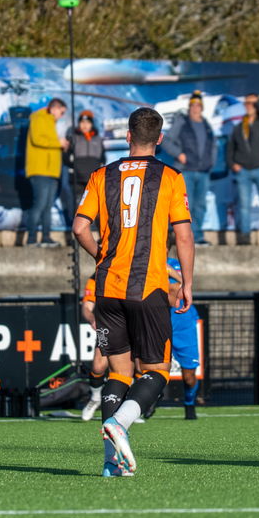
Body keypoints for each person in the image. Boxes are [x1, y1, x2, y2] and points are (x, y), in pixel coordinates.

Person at [72, 106, 194, 476]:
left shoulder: (100, 175)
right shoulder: (171, 177)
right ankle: (121, 423)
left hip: (107, 286)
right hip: (149, 287)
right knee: (157, 370)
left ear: (127, 136)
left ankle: (112, 463)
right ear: (159, 139)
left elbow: (79, 228)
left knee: (118, 373)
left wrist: (103, 256)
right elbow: (184, 235)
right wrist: (187, 282)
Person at [162, 92, 217, 246]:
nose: (195, 108)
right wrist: (179, 154)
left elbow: (213, 146)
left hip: (203, 172)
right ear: (189, 107)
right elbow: (166, 141)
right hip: (186, 171)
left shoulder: (206, 125)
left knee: (200, 206)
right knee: (186, 206)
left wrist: (210, 162)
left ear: (202, 108)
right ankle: (181, 238)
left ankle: (197, 237)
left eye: (198, 105)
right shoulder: (182, 122)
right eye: (193, 105)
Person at [227, 93, 259, 248]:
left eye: (252, 103)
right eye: (246, 103)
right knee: (244, 205)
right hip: (243, 171)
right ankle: (245, 236)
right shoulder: (239, 126)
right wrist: (232, 164)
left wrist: (258, 101)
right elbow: (230, 149)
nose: (249, 106)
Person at [23, 98, 68, 247]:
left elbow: (48, 143)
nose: (61, 116)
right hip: (40, 170)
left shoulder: (50, 122)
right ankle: (31, 239)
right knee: (39, 204)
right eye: (62, 112)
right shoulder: (38, 118)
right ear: (55, 108)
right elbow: (37, 140)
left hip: (52, 172)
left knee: (48, 206)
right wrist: (58, 143)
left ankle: (46, 237)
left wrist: (61, 146)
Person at [167, 258, 201, 419]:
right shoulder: (146, 260)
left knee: (189, 377)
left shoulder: (178, 265)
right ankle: (147, 404)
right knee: (152, 369)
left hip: (183, 324)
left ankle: (189, 403)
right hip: (160, 320)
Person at [80, 276, 108, 422]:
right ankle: (96, 398)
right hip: (108, 327)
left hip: (132, 326)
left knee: (135, 367)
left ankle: (129, 404)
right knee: (98, 367)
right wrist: (92, 318)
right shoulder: (96, 279)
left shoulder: (132, 271)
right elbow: (87, 307)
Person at [66, 110, 106, 208]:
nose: (85, 125)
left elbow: (103, 157)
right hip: (77, 179)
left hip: (93, 179)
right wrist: (73, 167)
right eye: (82, 122)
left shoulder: (97, 139)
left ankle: (93, 224)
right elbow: (66, 157)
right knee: (79, 206)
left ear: (91, 124)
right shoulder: (73, 138)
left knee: (93, 206)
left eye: (88, 122)